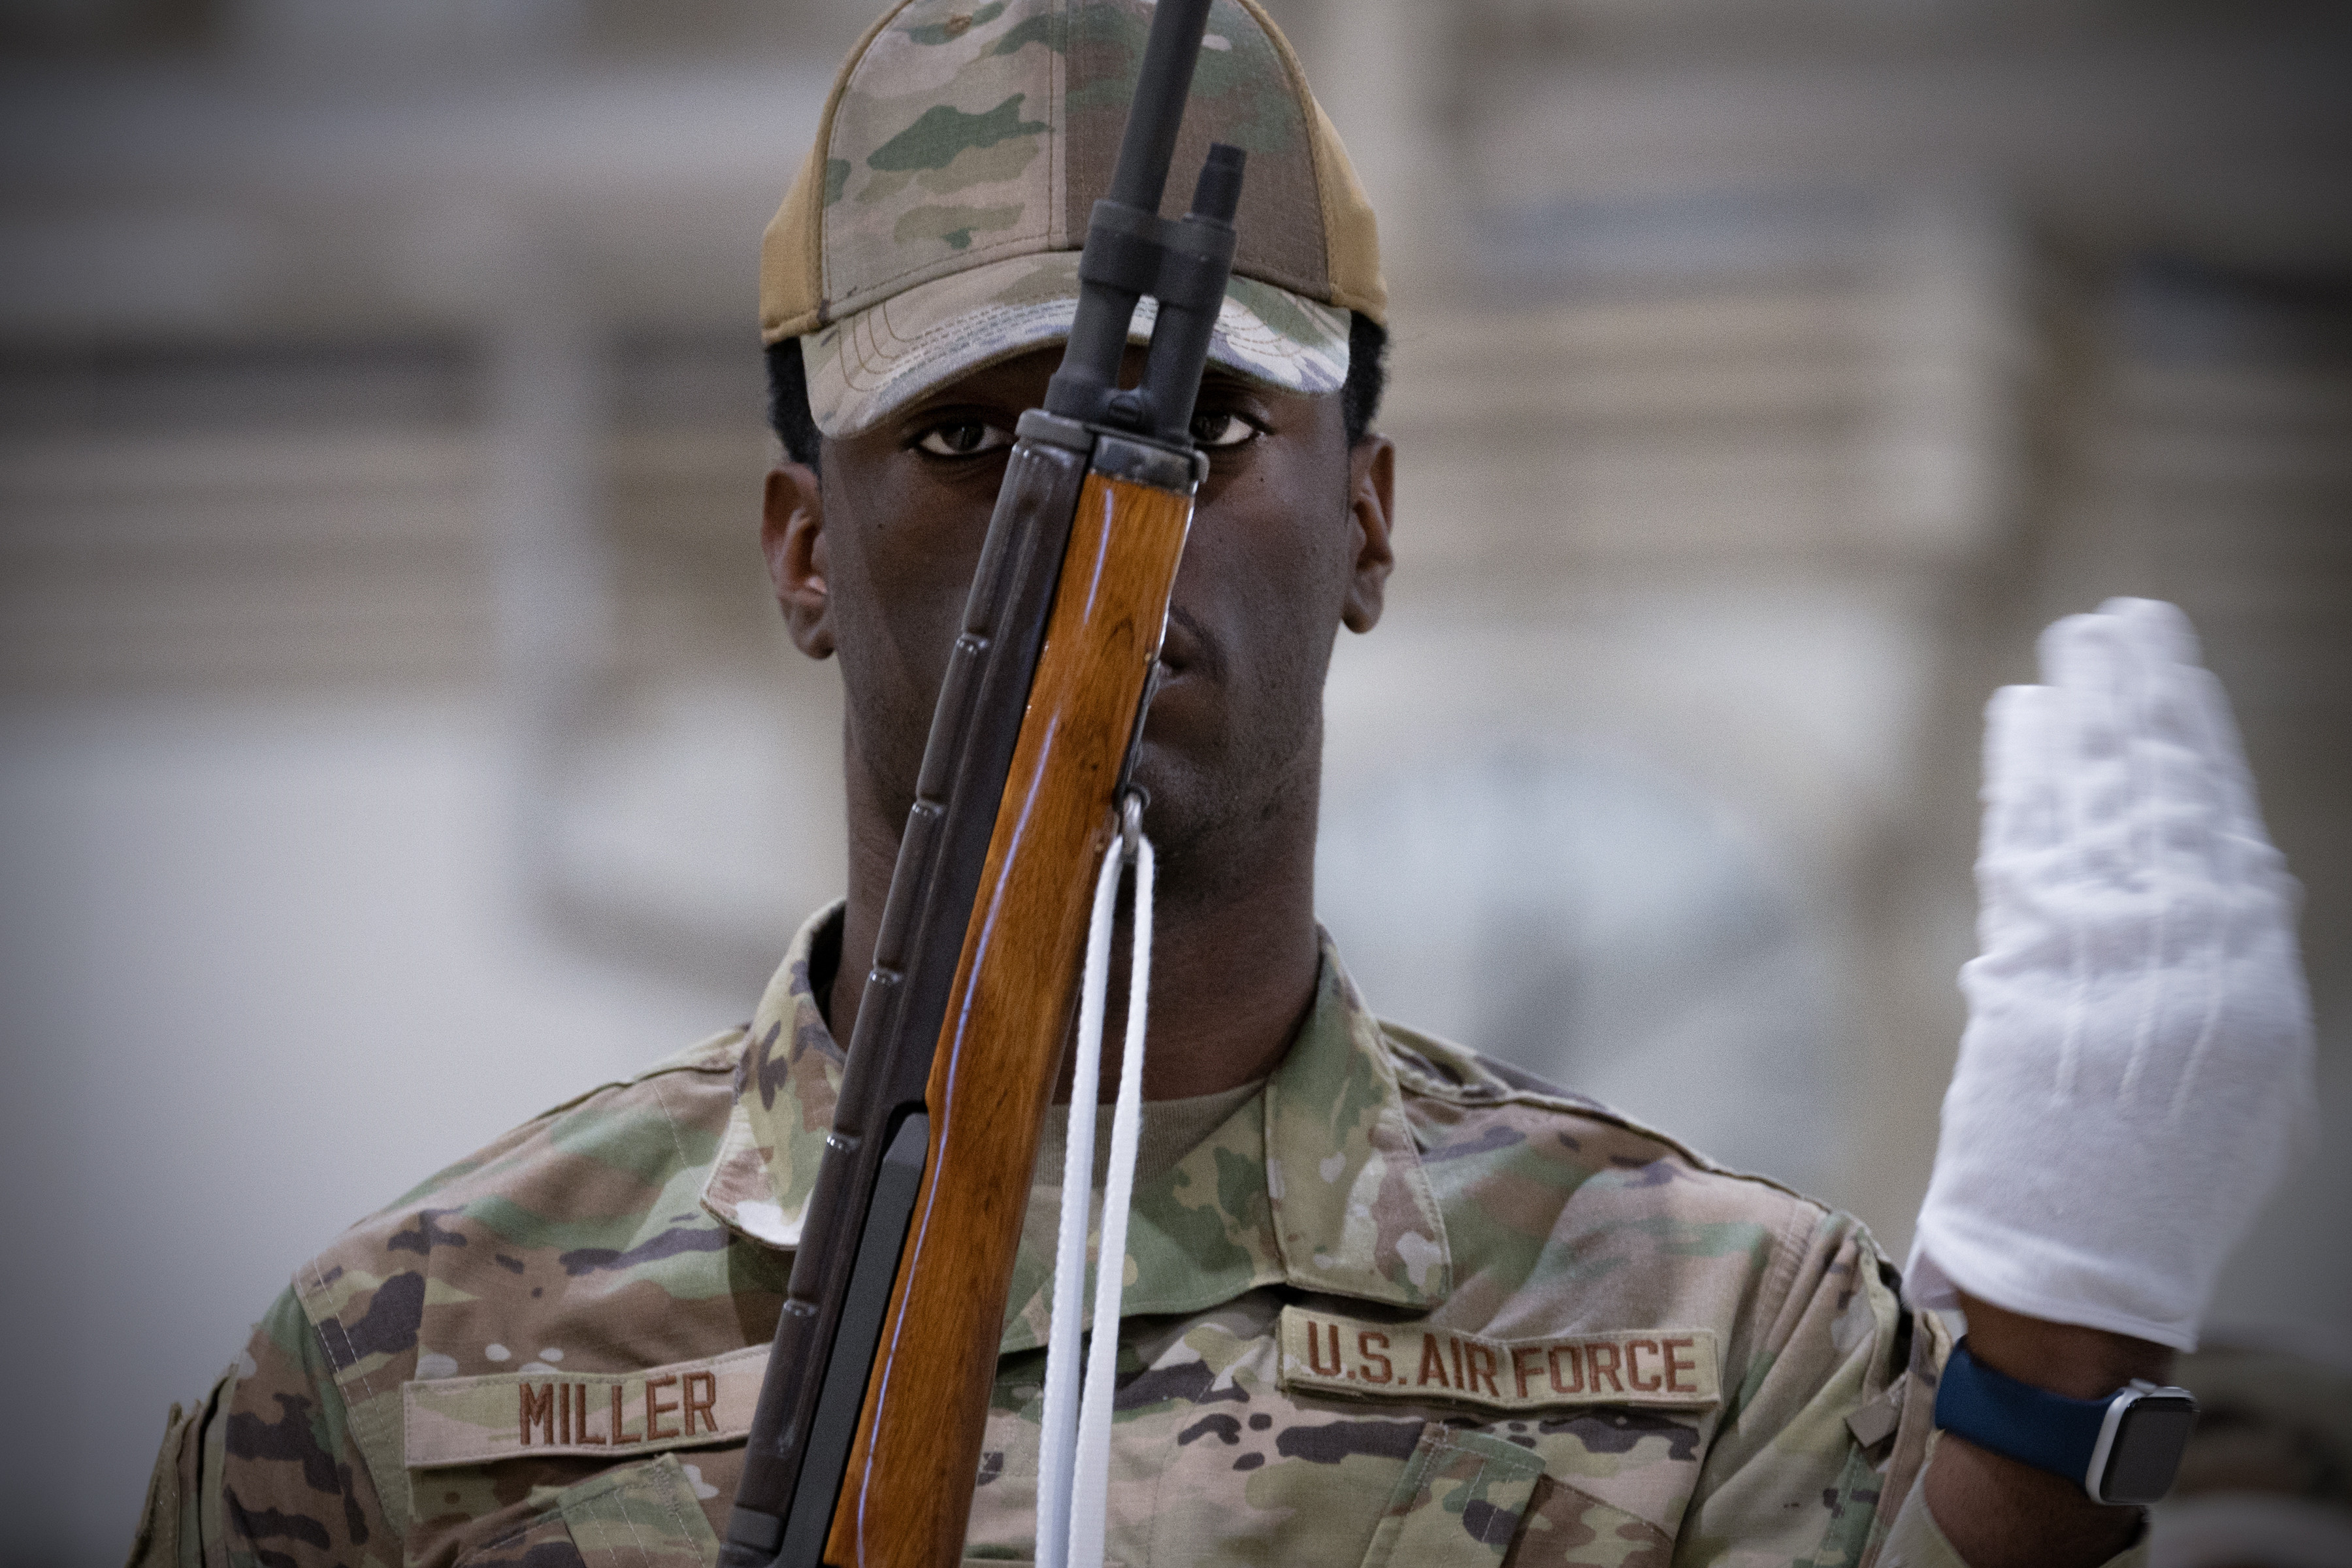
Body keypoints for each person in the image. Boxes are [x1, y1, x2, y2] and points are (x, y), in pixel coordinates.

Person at [127, 2, 2313, 1564]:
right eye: (963, 438)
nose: (1087, 519)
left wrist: (2052, 1371)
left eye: (1210, 433)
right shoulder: (409, 1369)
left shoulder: (1710, 1334)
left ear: (1366, 521)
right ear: (803, 554)